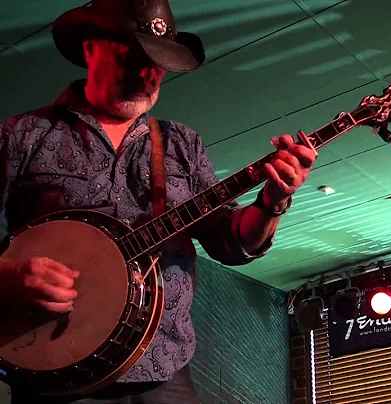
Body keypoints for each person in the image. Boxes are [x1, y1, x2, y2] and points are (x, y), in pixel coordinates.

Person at [0, 1, 316, 403]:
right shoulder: (23, 135)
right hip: (54, 372)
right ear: (90, 48)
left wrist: (273, 199)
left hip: (163, 370)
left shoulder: (182, 144)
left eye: (159, 62)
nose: (148, 75)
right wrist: (9, 276)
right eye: (133, 57)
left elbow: (232, 243)